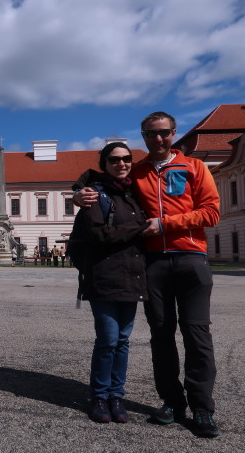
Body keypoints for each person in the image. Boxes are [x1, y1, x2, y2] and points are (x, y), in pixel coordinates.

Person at [74, 112, 221, 437]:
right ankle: (172, 401)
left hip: (191, 258)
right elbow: (98, 179)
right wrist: (77, 194)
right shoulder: (136, 172)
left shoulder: (194, 167)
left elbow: (211, 212)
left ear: (173, 133)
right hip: (153, 263)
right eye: (151, 134)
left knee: (197, 335)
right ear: (143, 136)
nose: (158, 139)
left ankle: (202, 407)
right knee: (161, 335)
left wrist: (166, 224)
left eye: (164, 132)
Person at [73, 142, 148, 424]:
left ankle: (117, 395)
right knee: (108, 340)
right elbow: (99, 235)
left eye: (126, 159)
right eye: (115, 160)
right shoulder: (94, 194)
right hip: (103, 277)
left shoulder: (134, 192)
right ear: (104, 163)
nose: (121, 164)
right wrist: (140, 227)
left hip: (132, 277)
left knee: (123, 341)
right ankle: (100, 396)